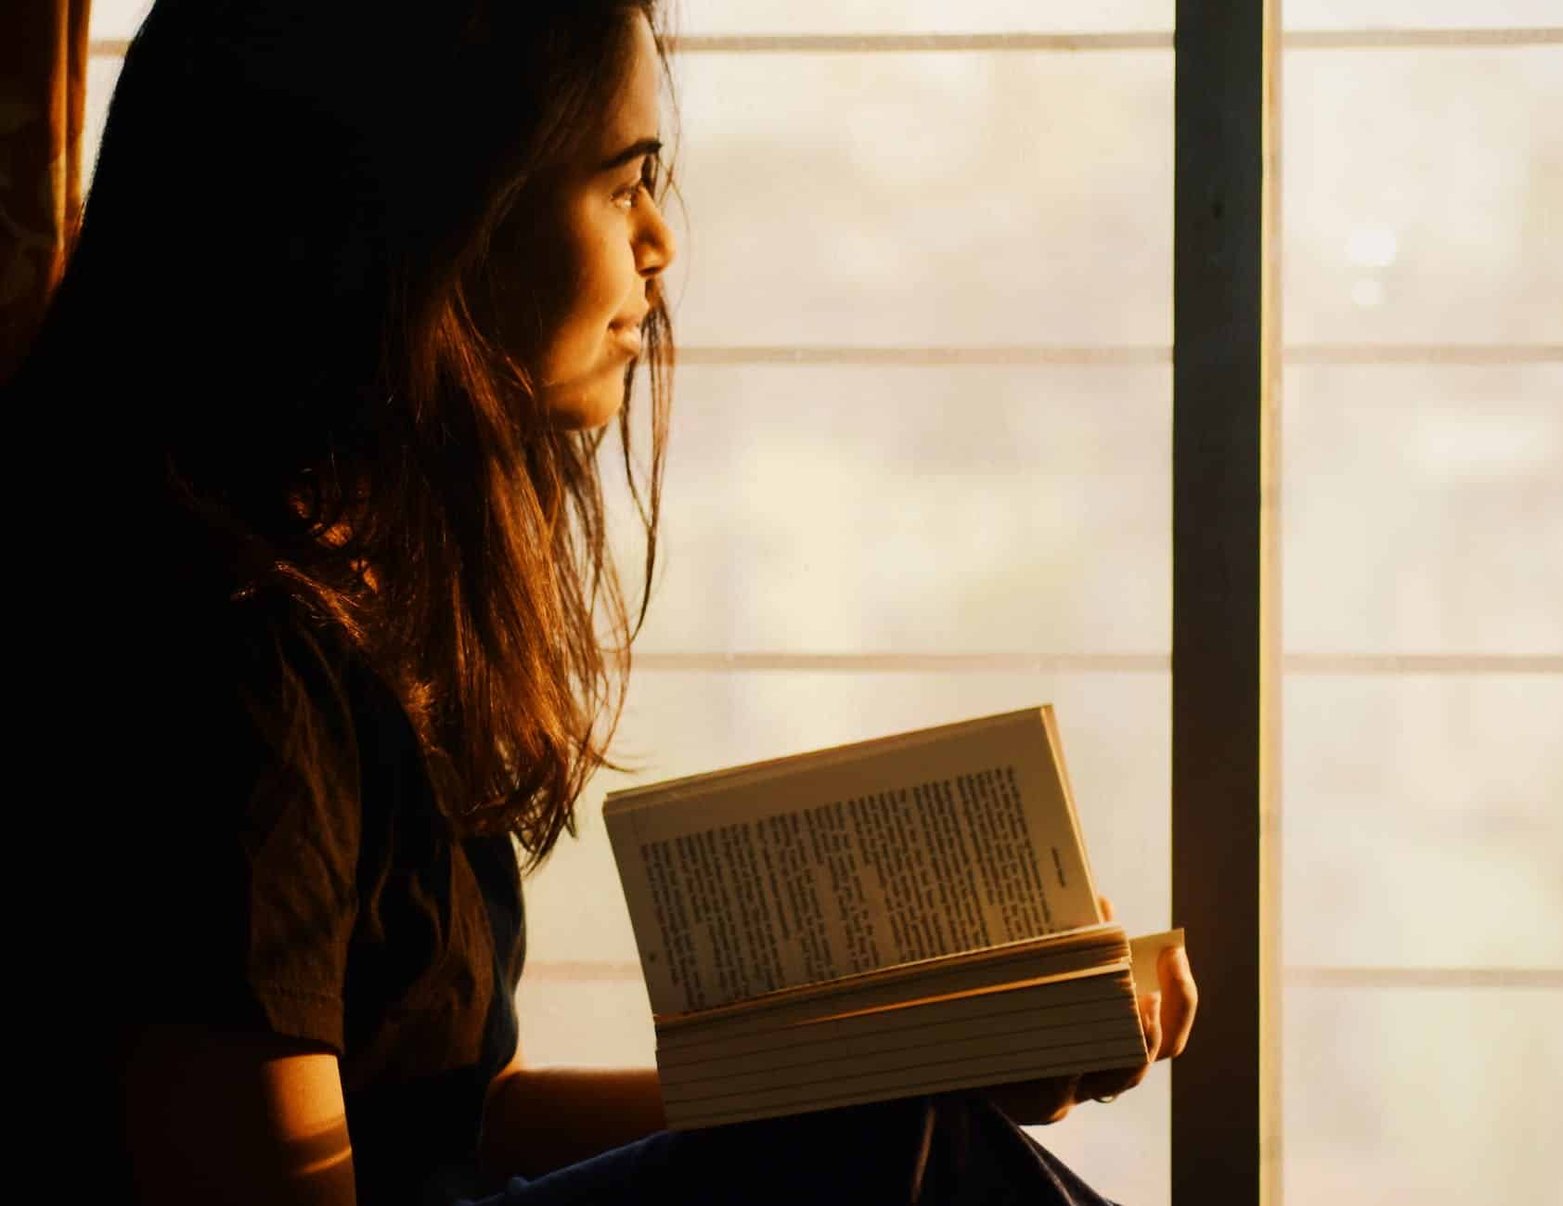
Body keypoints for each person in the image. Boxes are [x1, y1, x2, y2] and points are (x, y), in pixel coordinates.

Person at [8, 2, 1196, 1204]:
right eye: (622, 183)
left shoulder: (363, 600)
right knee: (906, 1170)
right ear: (441, 207)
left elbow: (466, 1124)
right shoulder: (223, 654)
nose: (662, 242)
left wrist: (925, 1057)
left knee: (908, 1137)